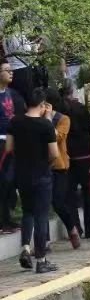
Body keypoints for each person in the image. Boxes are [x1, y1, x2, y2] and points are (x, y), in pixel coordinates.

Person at [5, 87, 60, 273]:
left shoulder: (15, 121)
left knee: (28, 213)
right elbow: (54, 153)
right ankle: (41, 260)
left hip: (23, 175)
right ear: (43, 105)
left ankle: (25, 249)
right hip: (42, 175)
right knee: (41, 217)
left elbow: (8, 147)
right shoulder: (46, 126)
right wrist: (49, 121)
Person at [43, 91, 80, 250]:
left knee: (58, 202)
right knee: (42, 204)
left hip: (59, 166)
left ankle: (72, 228)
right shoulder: (35, 119)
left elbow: (57, 137)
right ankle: (44, 241)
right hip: (42, 165)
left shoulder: (64, 119)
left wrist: (49, 120)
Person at [63, 80, 90, 240]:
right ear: (73, 92)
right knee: (89, 192)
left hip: (69, 155)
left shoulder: (61, 110)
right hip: (85, 154)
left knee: (70, 193)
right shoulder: (81, 108)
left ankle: (75, 227)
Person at [0, 62, 26, 234]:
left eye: (11, 70)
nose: (11, 73)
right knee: (3, 181)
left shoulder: (12, 93)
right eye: (6, 70)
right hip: (1, 142)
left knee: (10, 181)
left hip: (12, 141)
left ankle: (7, 219)